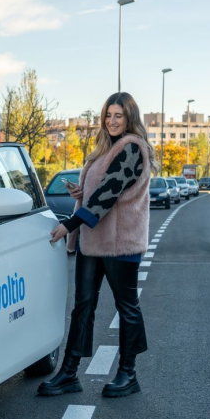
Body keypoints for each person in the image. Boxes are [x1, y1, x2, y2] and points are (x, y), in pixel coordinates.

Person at [38, 92, 156, 398]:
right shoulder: (104, 149)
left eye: (119, 115)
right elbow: (99, 192)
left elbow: (109, 192)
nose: (112, 121)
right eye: (108, 115)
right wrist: (82, 194)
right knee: (83, 307)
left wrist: (68, 225)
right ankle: (69, 373)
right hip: (93, 241)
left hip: (121, 243)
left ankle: (128, 374)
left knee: (126, 308)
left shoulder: (132, 147)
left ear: (130, 117)